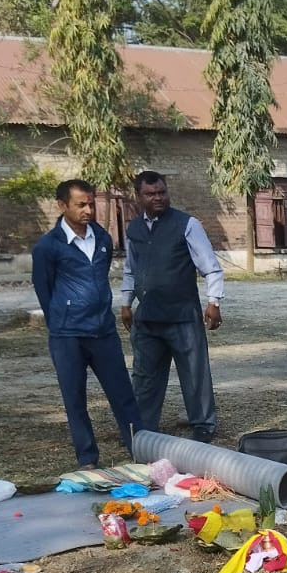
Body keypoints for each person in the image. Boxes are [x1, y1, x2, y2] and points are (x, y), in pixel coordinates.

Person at [30, 178, 140, 468]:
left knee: (123, 395)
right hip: (68, 337)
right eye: (80, 204)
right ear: (62, 205)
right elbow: (44, 290)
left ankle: (140, 450)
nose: (88, 210)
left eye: (91, 203)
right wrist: (60, 321)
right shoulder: (48, 247)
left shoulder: (102, 238)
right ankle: (88, 458)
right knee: (75, 400)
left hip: (103, 331)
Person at [119, 171, 226, 443]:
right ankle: (142, 429)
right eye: (150, 194)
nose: (158, 198)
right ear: (138, 196)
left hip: (182, 314)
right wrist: (126, 303)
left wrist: (214, 302)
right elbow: (130, 269)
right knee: (144, 375)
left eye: (162, 192)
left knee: (194, 373)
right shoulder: (134, 229)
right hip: (148, 316)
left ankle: (203, 425)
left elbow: (210, 267)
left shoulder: (187, 224)